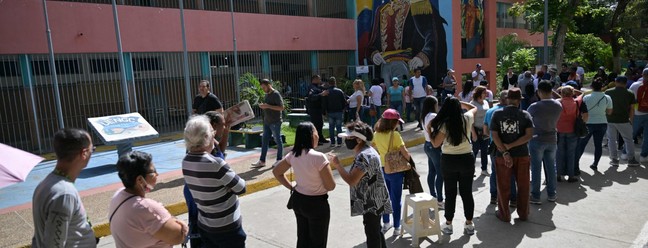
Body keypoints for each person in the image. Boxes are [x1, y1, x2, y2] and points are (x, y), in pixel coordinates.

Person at [182, 115, 247, 247]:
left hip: (205, 225)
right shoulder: (216, 163)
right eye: (212, 132)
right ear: (206, 137)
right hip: (227, 227)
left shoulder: (186, 161)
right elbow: (241, 187)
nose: (214, 134)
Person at [273, 122, 336, 248]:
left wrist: (292, 186)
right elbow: (331, 186)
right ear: (312, 136)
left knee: (302, 238)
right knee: (318, 242)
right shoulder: (319, 157)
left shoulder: (293, 154)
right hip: (317, 204)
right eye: (317, 133)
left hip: (299, 200)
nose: (318, 136)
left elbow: (276, 172)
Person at [329, 122, 392, 248]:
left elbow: (352, 180)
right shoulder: (366, 151)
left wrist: (337, 165)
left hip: (371, 202)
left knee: (372, 235)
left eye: (348, 138)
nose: (346, 140)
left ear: (358, 140)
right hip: (374, 199)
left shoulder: (364, 156)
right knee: (376, 231)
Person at [32, 128, 97, 248]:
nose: (92, 153)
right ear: (83, 153)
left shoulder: (46, 184)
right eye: (92, 149)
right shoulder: (64, 193)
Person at [109, 151, 188, 248]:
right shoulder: (145, 207)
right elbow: (178, 236)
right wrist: (180, 223)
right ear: (139, 180)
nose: (157, 174)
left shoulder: (118, 195)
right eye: (153, 172)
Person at [430, 98, 478, 236]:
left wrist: (429, 131)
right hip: (467, 159)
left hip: (449, 160)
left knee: (450, 194)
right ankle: (469, 224)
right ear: (458, 108)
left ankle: (449, 224)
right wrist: (461, 102)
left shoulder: (444, 125)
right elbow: (474, 107)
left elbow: (435, 144)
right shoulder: (467, 119)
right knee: (467, 193)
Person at [489, 88, 533, 222]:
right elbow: (529, 136)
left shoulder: (497, 114)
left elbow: (495, 136)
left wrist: (505, 151)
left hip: (502, 155)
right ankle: (523, 214)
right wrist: (511, 146)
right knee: (524, 185)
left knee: (503, 185)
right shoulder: (525, 115)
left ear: (507, 99)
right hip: (522, 154)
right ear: (519, 100)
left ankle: (504, 214)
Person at [372, 109, 411, 236]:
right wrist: (409, 160)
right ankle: (397, 227)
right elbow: (404, 152)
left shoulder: (376, 134)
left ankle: (386, 223)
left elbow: (373, 148)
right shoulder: (395, 135)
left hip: (382, 168)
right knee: (396, 198)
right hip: (395, 170)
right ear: (393, 123)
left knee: (385, 197)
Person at [527, 81, 563, 204]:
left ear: (539, 92)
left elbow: (526, 121)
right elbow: (559, 98)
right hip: (552, 139)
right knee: (551, 168)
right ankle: (552, 194)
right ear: (551, 91)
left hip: (537, 139)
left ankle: (536, 196)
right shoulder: (558, 105)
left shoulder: (534, 106)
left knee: (536, 169)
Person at [484, 90, 517, 207]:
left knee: (495, 172)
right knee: (511, 172)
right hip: (511, 146)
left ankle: (494, 197)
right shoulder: (514, 112)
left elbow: (486, 131)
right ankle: (513, 198)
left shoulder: (490, 111)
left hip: (495, 146)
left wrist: (493, 138)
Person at [576, 79, 613, 171]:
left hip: (588, 123)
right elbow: (609, 112)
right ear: (602, 87)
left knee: (582, 144)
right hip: (602, 123)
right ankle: (595, 164)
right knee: (598, 144)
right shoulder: (607, 98)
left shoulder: (586, 97)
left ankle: (576, 163)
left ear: (591, 87)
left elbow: (581, 111)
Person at [556, 86, 589, 182]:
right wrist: (575, 91)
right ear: (572, 93)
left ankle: (558, 174)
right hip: (573, 130)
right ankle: (571, 175)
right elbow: (583, 94)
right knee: (571, 154)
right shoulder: (577, 102)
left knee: (559, 153)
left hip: (560, 130)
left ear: (561, 93)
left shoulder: (558, 102)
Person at [606, 76, 639, 167]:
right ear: (625, 83)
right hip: (624, 120)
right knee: (628, 140)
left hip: (610, 119)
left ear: (615, 82)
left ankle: (614, 159)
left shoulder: (608, 92)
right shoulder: (630, 93)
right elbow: (632, 109)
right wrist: (631, 120)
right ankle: (631, 159)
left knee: (611, 140)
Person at [252, 79, 285, 168]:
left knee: (278, 140)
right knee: (264, 141)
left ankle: (279, 160)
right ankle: (262, 161)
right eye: (262, 87)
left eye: (264, 87)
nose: (263, 89)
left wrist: (267, 106)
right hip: (267, 121)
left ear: (269, 85)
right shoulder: (267, 94)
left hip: (275, 121)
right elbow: (269, 106)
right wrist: (264, 106)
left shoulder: (276, 94)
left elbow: (281, 107)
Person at [422, 96, 444, 208]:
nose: (438, 106)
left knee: (432, 172)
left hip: (427, 145)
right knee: (440, 173)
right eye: (437, 104)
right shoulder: (433, 116)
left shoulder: (425, 116)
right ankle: (439, 200)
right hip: (434, 146)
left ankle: (433, 196)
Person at [470, 86, 491, 176]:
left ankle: (484, 169)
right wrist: (473, 133)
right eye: (484, 92)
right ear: (479, 93)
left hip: (485, 129)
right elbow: (470, 119)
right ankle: (471, 169)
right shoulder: (472, 103)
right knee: (474, 150)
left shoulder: (486, 102)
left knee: (484, 150)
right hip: (476, 129)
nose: (486, 94)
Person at [629, 68, 648, 163]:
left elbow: (629, 99)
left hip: (637, 113)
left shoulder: (635, 85)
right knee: (647, 136)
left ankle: (626, 154)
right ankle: (643, 156)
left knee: (631, 134)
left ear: (642, 75)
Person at [322, 77, 347, 148]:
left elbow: (324, 103)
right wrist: (342, 109)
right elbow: (344, 102)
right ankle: (339, 142)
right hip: (339, 111)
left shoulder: (327, 92)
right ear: (335, 82)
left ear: (328, 83)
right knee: (339, 127)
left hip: (330, 111)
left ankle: (332, 142)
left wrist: (324, 111)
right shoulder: (339, 91)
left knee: (331, 127)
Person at [307, 75, 330, 145]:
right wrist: (321, 94)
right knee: (315, 125)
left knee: (320, 124)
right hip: (314, 109)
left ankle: (320, 138)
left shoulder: (318, 87)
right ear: (315, 79)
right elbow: (312, 97)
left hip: (319, 109)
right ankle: (315, 140)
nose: (320, 81)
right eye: (319, 79)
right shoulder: (312, 87)